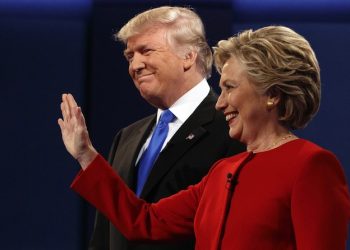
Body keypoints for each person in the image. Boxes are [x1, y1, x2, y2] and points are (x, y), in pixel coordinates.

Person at [59, 25, 350, 249]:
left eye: (230, 87)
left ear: (272, 94)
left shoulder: (312, 166)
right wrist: (87, 155)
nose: (220, 102)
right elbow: (144, 222)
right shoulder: (222, 172)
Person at [66, 6, 245, 250]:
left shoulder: (232, 128)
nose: (135, 65)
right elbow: (105, 235)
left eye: (146, 51)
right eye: (130, 56)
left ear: (188, 56)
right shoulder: (127, 137)